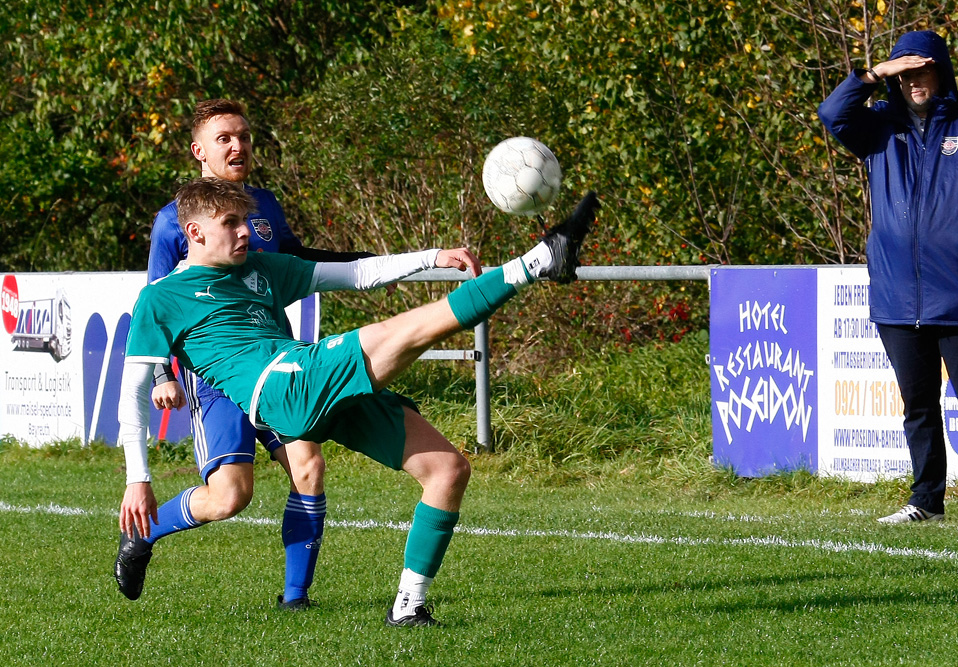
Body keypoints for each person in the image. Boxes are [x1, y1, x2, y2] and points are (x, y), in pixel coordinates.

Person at [116, 177, 599, 625]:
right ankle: (538, 261)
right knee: (401, 332)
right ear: (195, 232)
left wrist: (432, 256)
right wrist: (138, 480)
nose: (247, 233)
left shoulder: (262, 268)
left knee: (448, 470)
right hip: (282, 390)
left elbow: (358, 272)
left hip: (303, 373)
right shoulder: (161, 298)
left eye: (246, 221)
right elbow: (133, 394)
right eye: (231, 224)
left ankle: (409, 607)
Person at [118, 99, 378, 611]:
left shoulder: (263, 204)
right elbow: (158, 301)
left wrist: (374, 263)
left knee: (309, 466)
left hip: (276, 363)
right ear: (199, 151)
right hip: (215, 377)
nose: (238, 146)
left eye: (244, 135)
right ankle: (143, 536)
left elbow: (299, 261)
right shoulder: (175, 222)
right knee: (229, 498)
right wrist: (164, 375)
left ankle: (295, 601)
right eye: (224, 138)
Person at [818, 30, 958, 524]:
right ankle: (926, 501)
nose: (915, 80)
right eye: (906, 71)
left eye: (923, 69)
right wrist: (874, 75)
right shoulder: (877, 128)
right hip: (897, 296)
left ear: (941, 72)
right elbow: (831, 114)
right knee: (917, 406)